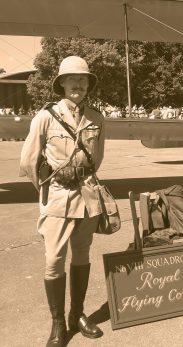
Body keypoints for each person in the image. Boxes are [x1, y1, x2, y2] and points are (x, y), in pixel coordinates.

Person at [19, 56, 105, 346]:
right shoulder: (46, 117)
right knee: (55, 261)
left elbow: (98, 158)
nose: (78, 84)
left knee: (82, 256)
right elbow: (28, 161)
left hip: (87, 198)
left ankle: (77, 315)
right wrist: (50, 185)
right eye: (72, 79)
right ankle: (58, 324)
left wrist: (81, 175)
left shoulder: (97, 118)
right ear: (62, 84)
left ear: (88, 84)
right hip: (57, 198)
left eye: (83, 79)